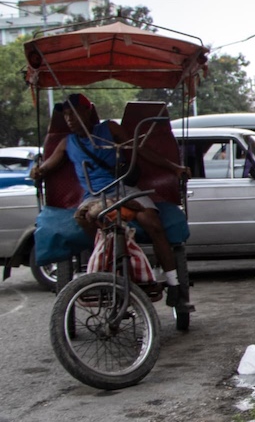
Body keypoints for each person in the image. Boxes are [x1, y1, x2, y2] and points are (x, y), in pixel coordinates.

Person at [32, 93, 190, 307]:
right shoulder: (66, 143)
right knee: (85, 218)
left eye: (74, 113)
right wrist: (37, 171)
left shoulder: (109, 129)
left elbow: (139, 150)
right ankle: (107, 264)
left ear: (88, 111)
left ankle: (173, 284)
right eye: (66, 115)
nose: (69, 119)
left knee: (154, 224)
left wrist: (174, 167)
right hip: (95, 196)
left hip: (124, 188)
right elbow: (47, 167)